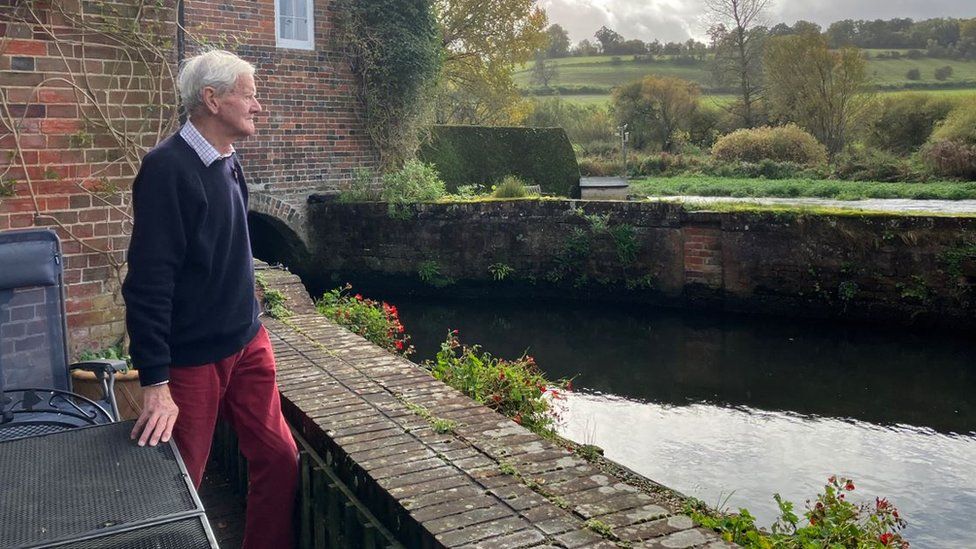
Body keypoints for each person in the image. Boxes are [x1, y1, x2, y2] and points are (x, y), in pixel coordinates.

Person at [122, 49, 298, 549]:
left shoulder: (227, 159)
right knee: (180, 486)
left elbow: (230, 251)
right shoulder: (166, 170)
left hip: (248, 342)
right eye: (249, 94)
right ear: (212, 99)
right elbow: (148, 283)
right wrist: (155, 380)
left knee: (280, 457)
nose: (258, 105)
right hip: (192, 361)